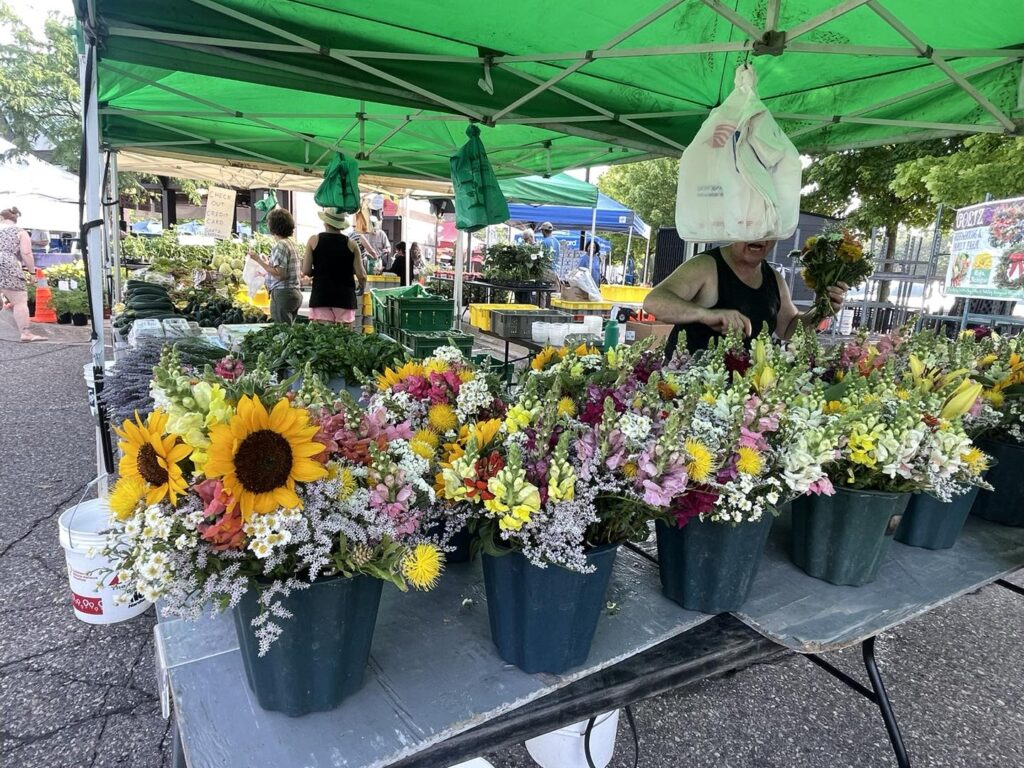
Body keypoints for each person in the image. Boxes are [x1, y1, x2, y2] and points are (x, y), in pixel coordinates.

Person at [643, 240, 848, 359]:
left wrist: (821, 310)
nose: (759, 236)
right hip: (688, 393)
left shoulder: (774, 278)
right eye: (750, 227)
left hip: (741, 397)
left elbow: (788, 328)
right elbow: (654, 302)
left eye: (767, 230)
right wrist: (706, 314)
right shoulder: (706, 265)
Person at [303, 207, 365, 325]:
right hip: (345, 298)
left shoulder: (313, 240)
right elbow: (361, 275)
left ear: (325, 222)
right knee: (344, 340)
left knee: (323, 339)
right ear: (341, 224)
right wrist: (362, 286)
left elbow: (306, 270)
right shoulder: (351, 244)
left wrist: (318, 270)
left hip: (321, 295)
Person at [249, 208, 302, 324]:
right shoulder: (292, 244)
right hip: (294, 293)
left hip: (283, 293)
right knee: (289, 330)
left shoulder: (280, 246)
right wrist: (268, 262)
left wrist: (258, 260)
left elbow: (280, 274)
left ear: (273, 226)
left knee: (281, 331)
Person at [0, 207, 44, 341]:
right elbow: (26, 253)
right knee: (19, 300)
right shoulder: (20, 232)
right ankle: (26, 334)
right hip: (7, 263)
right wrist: (32, 272)